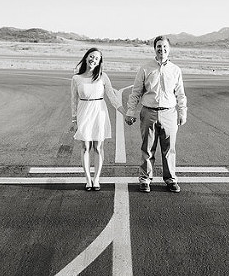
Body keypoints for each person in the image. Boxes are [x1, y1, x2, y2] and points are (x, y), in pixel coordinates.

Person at [125, 36, 187, 193]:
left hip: (169, 113)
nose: (162, 49)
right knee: (147, 148)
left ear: (169, 48)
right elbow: (136, 92)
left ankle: (171, 179)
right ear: (155, 49)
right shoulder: (146, 68)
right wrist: (131, 111)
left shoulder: (175, 70)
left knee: (169, 149)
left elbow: (180, 93)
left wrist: (182, 112)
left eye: (165, 46)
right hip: (149, 112)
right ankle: (145, 179)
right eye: (159, 46)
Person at [71, 47, 124, 191]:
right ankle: (88, 179)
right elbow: (74, 101)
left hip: (99, 112)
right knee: (85, 146)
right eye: (91, 56)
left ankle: (96, 179)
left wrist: (124, 113)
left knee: (98, 147)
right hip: (84, 112)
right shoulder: (76, 78)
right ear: (86, 57)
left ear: (100, 61)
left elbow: (112, 97)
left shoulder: (103, 76)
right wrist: (74, 120)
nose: (93, 59)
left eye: (96, 58)